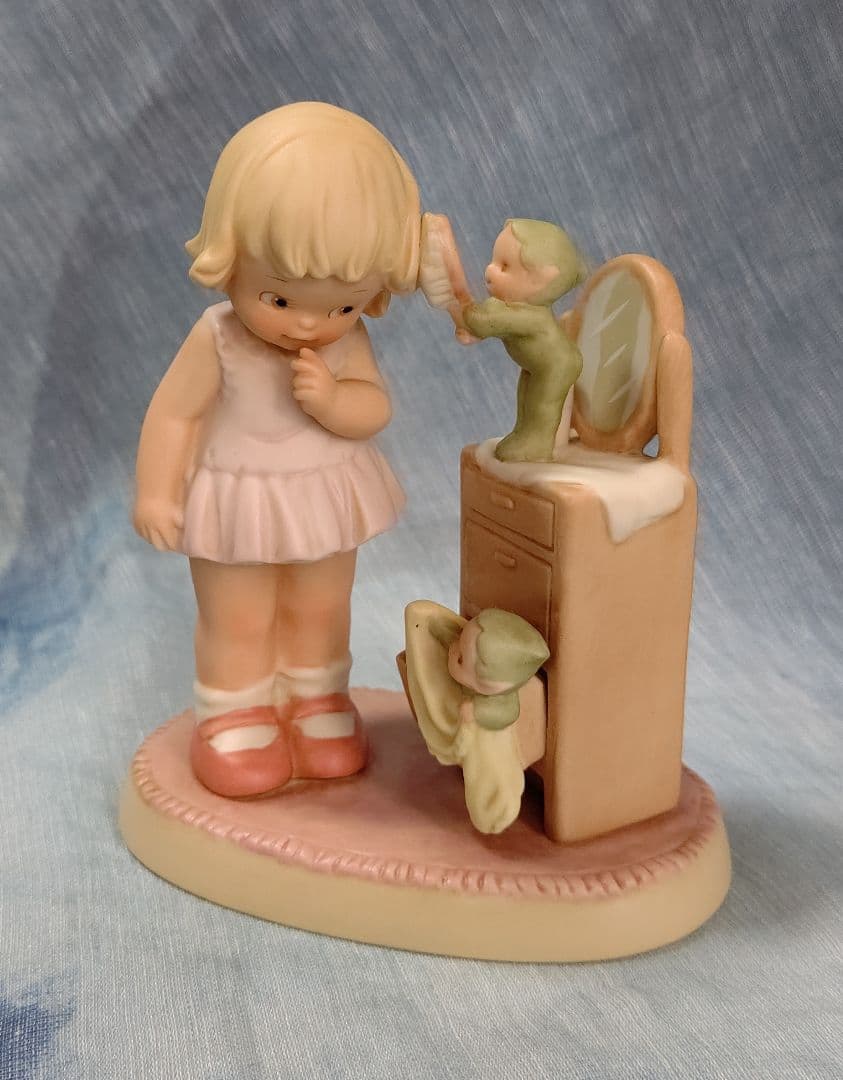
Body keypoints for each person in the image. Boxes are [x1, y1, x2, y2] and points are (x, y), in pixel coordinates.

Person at [133, 102, 420, 798]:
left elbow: (373, 407)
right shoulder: (219, 336)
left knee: (321, 604)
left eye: (343, 305)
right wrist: (157, 492)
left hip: (322, 492)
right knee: (239, 613)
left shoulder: (346, 343)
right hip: (237, 496)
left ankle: (316, 700)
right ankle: (234, 714)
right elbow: (174, 413)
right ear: (229, 259)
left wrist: (333, 402)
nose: (311, 325)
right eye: (281, 299)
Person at [462, 219, 585, 462]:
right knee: (526, 400)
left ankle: (537, 444)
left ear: (540, 280)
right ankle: (522, 434)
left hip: (557, 366)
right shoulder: (515, 308)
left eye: (504, 266)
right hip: (536, 366)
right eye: (494, 261)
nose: (489, 270)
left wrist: (465, 309)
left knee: (542, 406)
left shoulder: (532, 317)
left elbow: (485, 322)